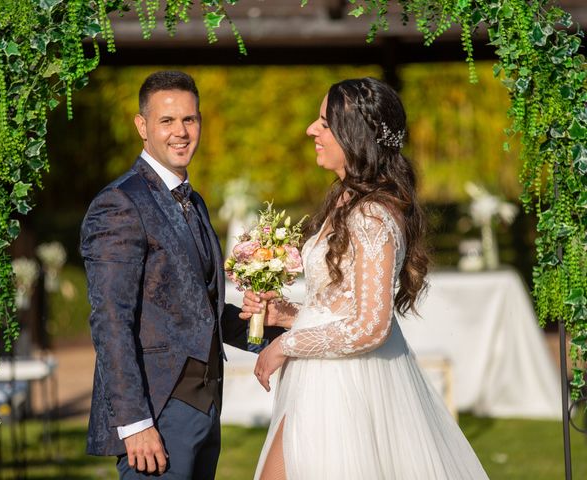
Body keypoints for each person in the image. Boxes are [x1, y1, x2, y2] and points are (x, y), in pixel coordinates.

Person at [241, 77, 489, 479]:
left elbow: (371, 326)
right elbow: (343, 306)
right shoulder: (345, 198)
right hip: (321, 374)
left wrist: (287, 343)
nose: (311, 130)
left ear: (353, 135)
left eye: (324, 122)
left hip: (343, 388)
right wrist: (287, 314)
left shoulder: (372, 216)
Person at [80, 70, 269, 479]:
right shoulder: (119, 204)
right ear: (142, 126)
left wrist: (273, 333)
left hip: (205, 407)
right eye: (167, 121)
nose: (180, 132)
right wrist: (135, 424)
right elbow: (111, 321)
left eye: (190, 119)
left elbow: (198, 311)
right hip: (156, 414)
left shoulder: (193, 201)